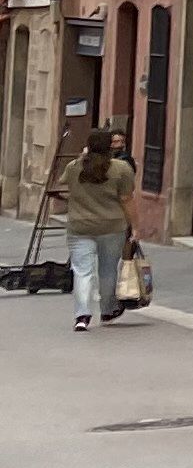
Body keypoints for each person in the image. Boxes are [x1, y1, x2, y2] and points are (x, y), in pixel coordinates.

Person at [39, 130, 134, 334]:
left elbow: (62, 181)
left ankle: (82, 315)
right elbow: (127, 199)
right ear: (111, 146)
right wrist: (135, 225)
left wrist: (81, 157)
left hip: (80, 226)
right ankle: (108, 310)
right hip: (112, 225)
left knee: (82, 271)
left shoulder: (75, 167)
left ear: (88, 146)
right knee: (108, 270)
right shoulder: (122, 168)